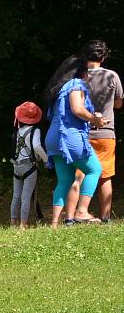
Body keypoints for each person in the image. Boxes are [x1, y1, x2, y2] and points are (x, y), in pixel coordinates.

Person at [43, 55, 107, 227]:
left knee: (64, 180)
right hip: (69, 136)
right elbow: (77, 109)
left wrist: (92, 117)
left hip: (53, 137)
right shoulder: (76, 84)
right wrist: (95, 120)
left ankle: (55, 224)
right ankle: (82, 211)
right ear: (81, 71)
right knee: (95, 169)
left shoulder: (57, 89)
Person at [65, 41, 123, 223]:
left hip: (82, 133)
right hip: (106, 133)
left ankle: (71, 217)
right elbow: (119, 104)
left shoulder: (79, 78)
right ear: (103, 57)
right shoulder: (112, 76)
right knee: (105, 176)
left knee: (79, 175)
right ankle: (105, 217)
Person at [10, 101, 48, 228]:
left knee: (16, 196)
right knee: (26, 197)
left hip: (17, 167)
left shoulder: (17, 131)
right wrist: (46, 159)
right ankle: (23, 224)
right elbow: (37, 146)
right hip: (30, 167)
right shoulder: (35, 131)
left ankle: (13, 223)